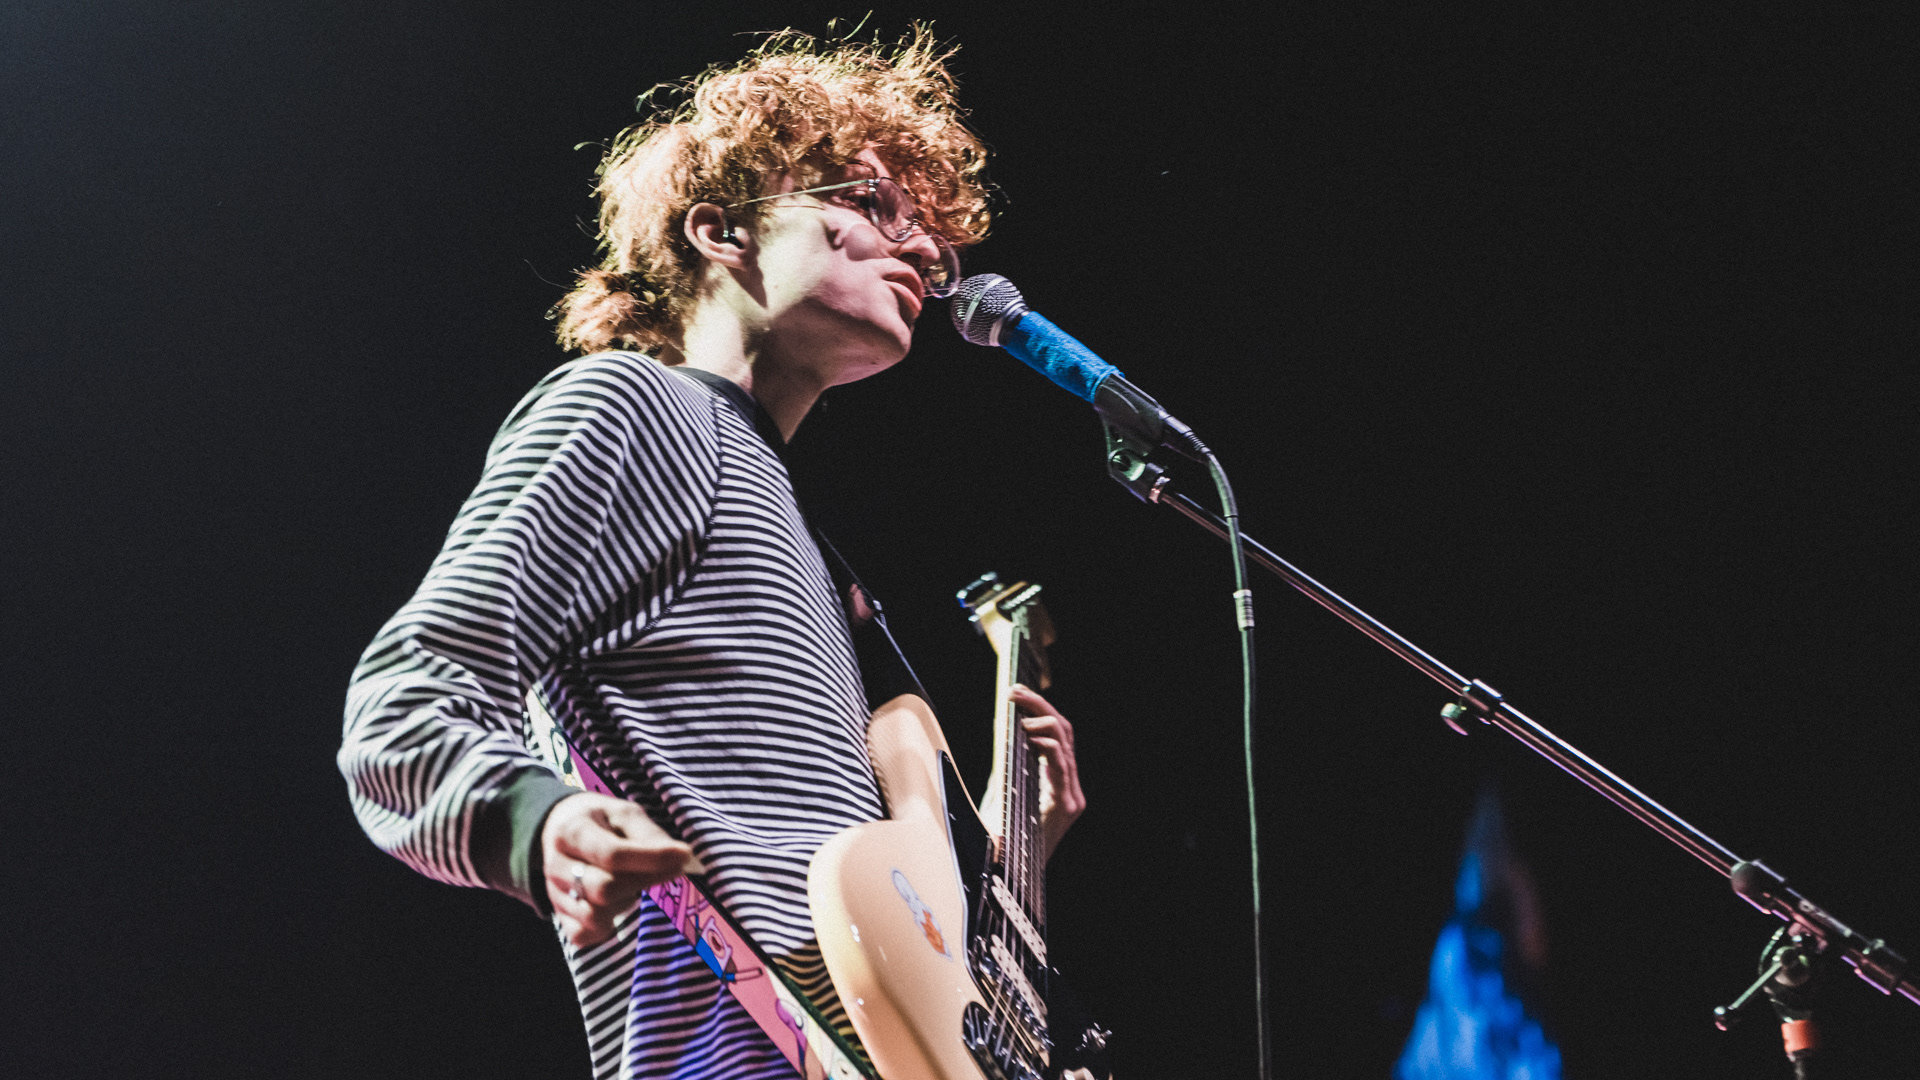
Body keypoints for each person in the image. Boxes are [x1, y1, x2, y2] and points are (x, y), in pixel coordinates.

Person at [340, 29, 1086, 1079]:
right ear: (721, 228)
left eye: (931, 237)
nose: (921, 253)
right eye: (873, 205)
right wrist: (539, 823)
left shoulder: (816, 557)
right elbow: (402, 709)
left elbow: (863, 919)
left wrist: (1011, 864)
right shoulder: (637, 409)